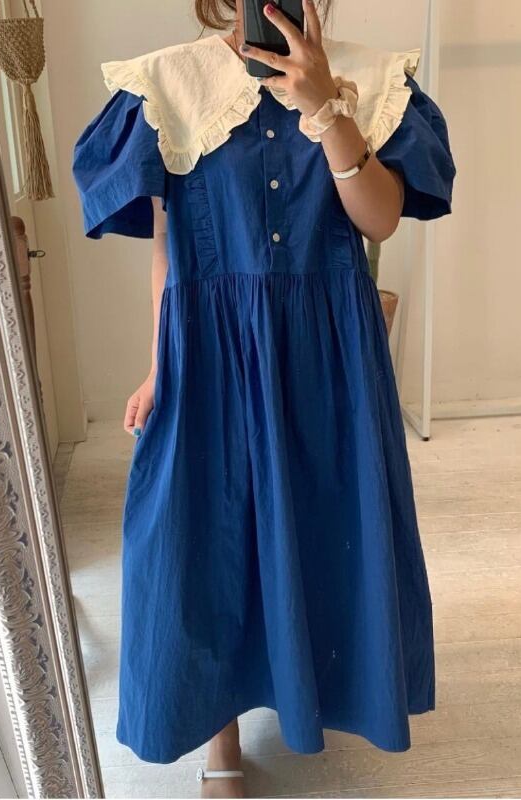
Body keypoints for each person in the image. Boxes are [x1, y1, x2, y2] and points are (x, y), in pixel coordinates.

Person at [73, 0, 455, 796]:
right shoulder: (168, 83)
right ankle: (219, 744)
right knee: (203, 537)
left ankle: (318, 690)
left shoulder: (373, 77)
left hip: (328, 353)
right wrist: (158, 366)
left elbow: (381, 219)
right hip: (209, 353)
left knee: (323, 526)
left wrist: (326, 107)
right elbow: (168, 251)